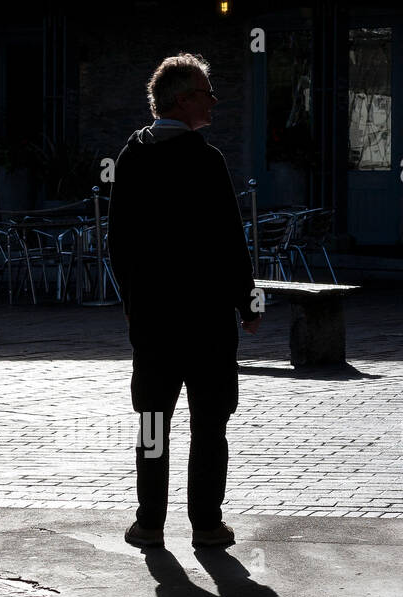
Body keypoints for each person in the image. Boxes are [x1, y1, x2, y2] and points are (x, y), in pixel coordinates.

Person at [108, 52, 259, 550]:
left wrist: (132, 299)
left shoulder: (131, 158)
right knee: (210, 422)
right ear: (180, 99)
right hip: (207, 318)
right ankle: (207, 524)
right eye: (204, 92)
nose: (213, 100)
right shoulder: (205, 160)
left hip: (153, 320)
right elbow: (230, 239)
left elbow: (119, 242)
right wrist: (247, 300)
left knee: (152, 420)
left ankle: (149, 522)